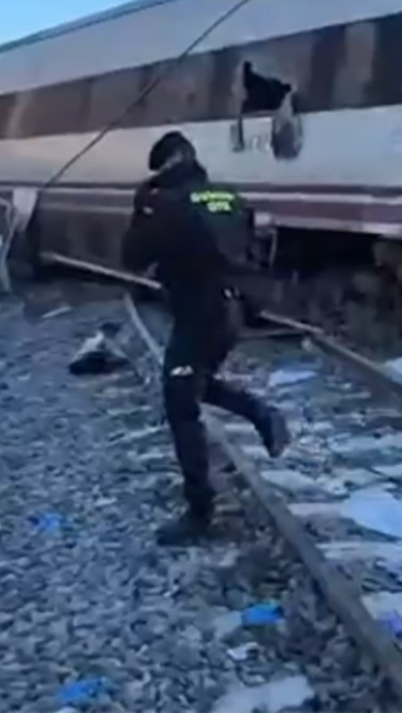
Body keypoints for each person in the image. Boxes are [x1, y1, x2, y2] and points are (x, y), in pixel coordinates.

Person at [121, 130, 291, 546]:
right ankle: (261, 414)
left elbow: (133, 258)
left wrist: (141, 209)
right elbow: (249, 249)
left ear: (170, 162)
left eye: (160, 167)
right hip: (232, 313)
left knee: (180, 405)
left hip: (199, 315)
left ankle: (200, 512)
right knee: (192, 384)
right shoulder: (228, 197)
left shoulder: (166, 205)